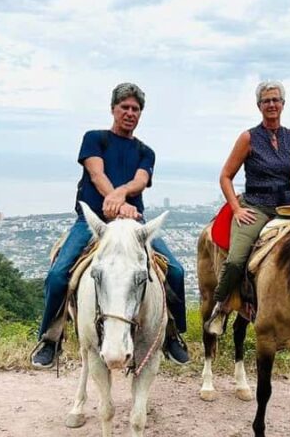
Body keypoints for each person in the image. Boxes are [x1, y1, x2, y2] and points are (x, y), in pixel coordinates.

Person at [31, 82, 190, 367]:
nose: (130, 113)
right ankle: (50, 338)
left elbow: (141, 180)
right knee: (58, 276)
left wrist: (121, 196)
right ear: (113, 109)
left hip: (133, 225)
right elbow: (96, 173)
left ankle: (171, 333)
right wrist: (115, 198)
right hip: (93, 222)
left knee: (176, 271)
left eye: (135, 109)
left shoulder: (145, 151)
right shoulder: (94, 139)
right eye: (124, 107)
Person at [204, 80, 290, 336]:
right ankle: (221, 306)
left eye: (275, 100)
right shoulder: (248, 138)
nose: (271, 104)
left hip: (286, 207)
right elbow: (225, 176)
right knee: (237, 259)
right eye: (266, 101)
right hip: (256, 206)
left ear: (283, 104)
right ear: (259, 106)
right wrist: (236, 209)